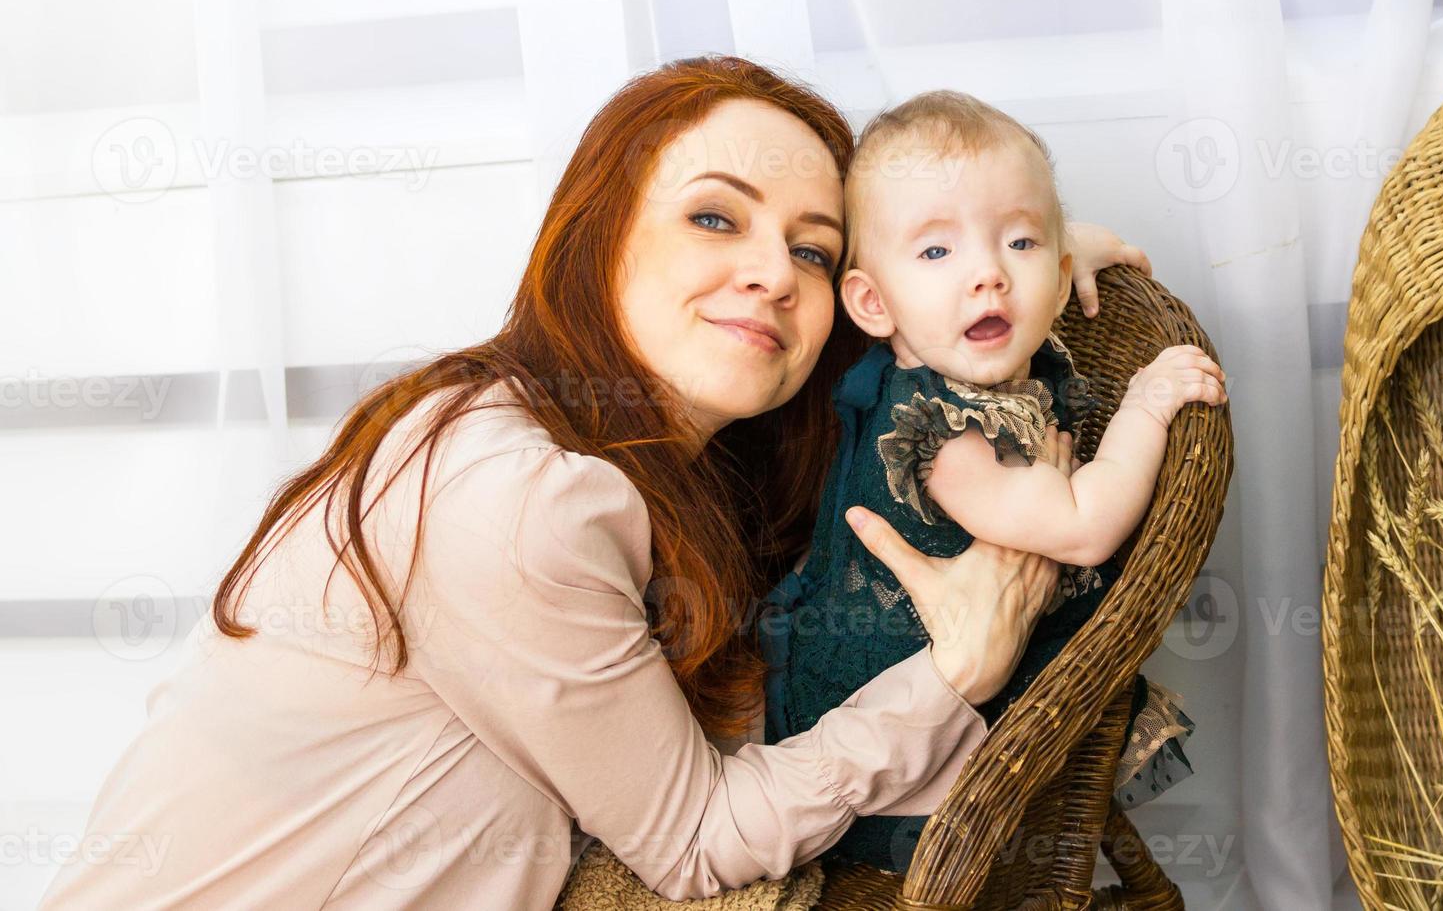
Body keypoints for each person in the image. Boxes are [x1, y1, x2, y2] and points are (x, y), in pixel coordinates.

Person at [40, 58, 1148, 910]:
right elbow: (698, 837)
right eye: (716, 217)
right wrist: (957, 670)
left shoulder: (629, 448)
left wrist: (1025, 259)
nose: (771, 270)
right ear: (600, 235)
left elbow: (910, 310)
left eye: (811, 251)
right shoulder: (519, 495)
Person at [761, 91, 1224, 874]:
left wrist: (1069, 245)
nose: (988, 277)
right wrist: (1145, 404)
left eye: (1019, 241)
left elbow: (1002, 259)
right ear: (875, 303)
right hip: (905, 752)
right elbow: (1081, 524)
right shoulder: (937, 438)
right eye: (937, 253)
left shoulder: (945, 333)